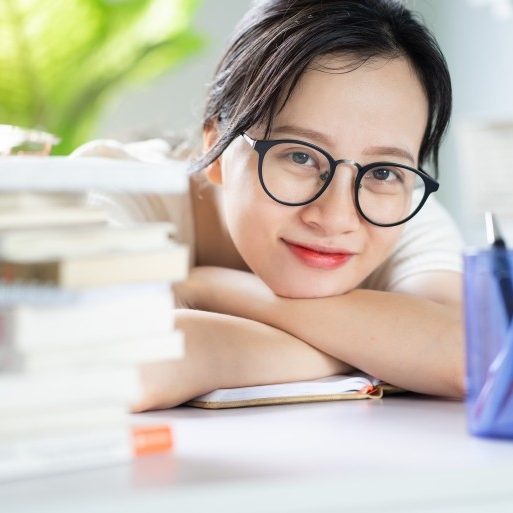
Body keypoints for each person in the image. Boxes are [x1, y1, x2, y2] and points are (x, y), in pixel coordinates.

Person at [74, 0, 465, 411]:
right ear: (218, 149)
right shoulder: (112, 192)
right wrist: (381, 352)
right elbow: (117, 366)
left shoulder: (392, 206)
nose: (336, 217)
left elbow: (465, 355)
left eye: (384, 171)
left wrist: (210, 289)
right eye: (299, 156)